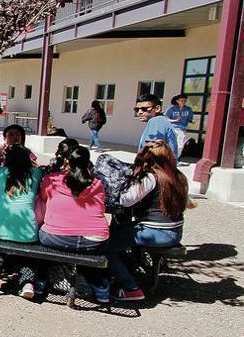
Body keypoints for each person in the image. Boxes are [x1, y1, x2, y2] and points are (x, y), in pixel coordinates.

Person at [103, 141, 189, 301]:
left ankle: (130, 288)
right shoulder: (179, 176)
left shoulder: (151, 177)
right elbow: (187, 203)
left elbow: (126, 200)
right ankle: (127, 268)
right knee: (118, 232)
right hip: (175, 232)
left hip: (156, 232)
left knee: (104, 245)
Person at [36, 146, 112, 303]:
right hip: (94, 238)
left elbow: (43, 198)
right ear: (88, 163)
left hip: (56, 236)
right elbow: (102, 207)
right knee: (88, 252)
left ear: (66, 161)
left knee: (39, 235)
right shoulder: (97, 183)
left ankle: (41, 280)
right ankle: (101, 289)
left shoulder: (52, 179)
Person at [0, 145, 44, 298]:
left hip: (1, 228)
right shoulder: (36, 173)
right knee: (29, 257)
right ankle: (27, 283)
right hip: (28, 230)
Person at [135, 93, 179, 157]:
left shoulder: (157, 121)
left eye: (144, 109)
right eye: (137, 109)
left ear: (157, 108)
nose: (140, 112)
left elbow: (153, 152)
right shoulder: (161, 121)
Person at [165, 94, 194, 158]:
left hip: (182, 128)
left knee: (180, 144)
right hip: (173, 128)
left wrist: (192, 122)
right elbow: (166, 119)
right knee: (171, 143)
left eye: (185, 101)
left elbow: (190, 119)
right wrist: (175, 120)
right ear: (177, 101)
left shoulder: (188, 109)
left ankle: (176, 158)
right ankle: (168, 157)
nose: (183, 102)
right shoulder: (171, 109)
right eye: (181, 100)